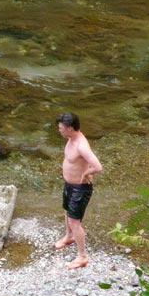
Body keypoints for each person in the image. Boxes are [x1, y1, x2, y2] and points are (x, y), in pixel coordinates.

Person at [54, 111, 102, 269]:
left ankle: (82, 256)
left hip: (80, 188)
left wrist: (86, 173)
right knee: (67, 211)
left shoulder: (81, 145)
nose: (59, 130)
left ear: (69, 128)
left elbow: (98, 167)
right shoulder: (71, 138)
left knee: (74, 221)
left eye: (61, 128)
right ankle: (69, 237)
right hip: (69, 184)